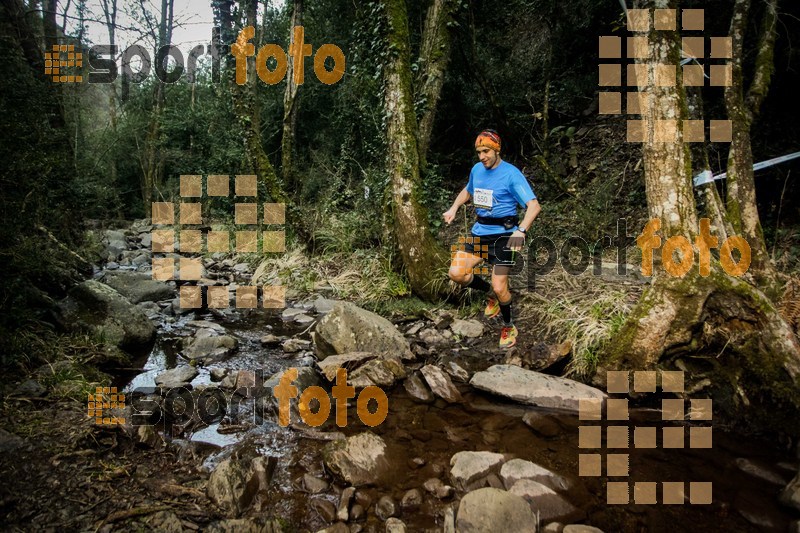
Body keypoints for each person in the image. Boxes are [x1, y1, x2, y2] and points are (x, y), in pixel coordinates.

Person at [443, 129, 540, 348]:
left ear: (497, 150)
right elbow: (468, 191)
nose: (482, 156)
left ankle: (508, 325)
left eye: (486, 151)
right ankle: (489, 294)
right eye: (479, 152)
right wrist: (454, 207)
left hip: (505, 237)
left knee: (500, 287)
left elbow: (534, 206)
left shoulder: (511, 174)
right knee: (456, 273)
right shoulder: (477, 169)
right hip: (480, 233)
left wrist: (521, 230)